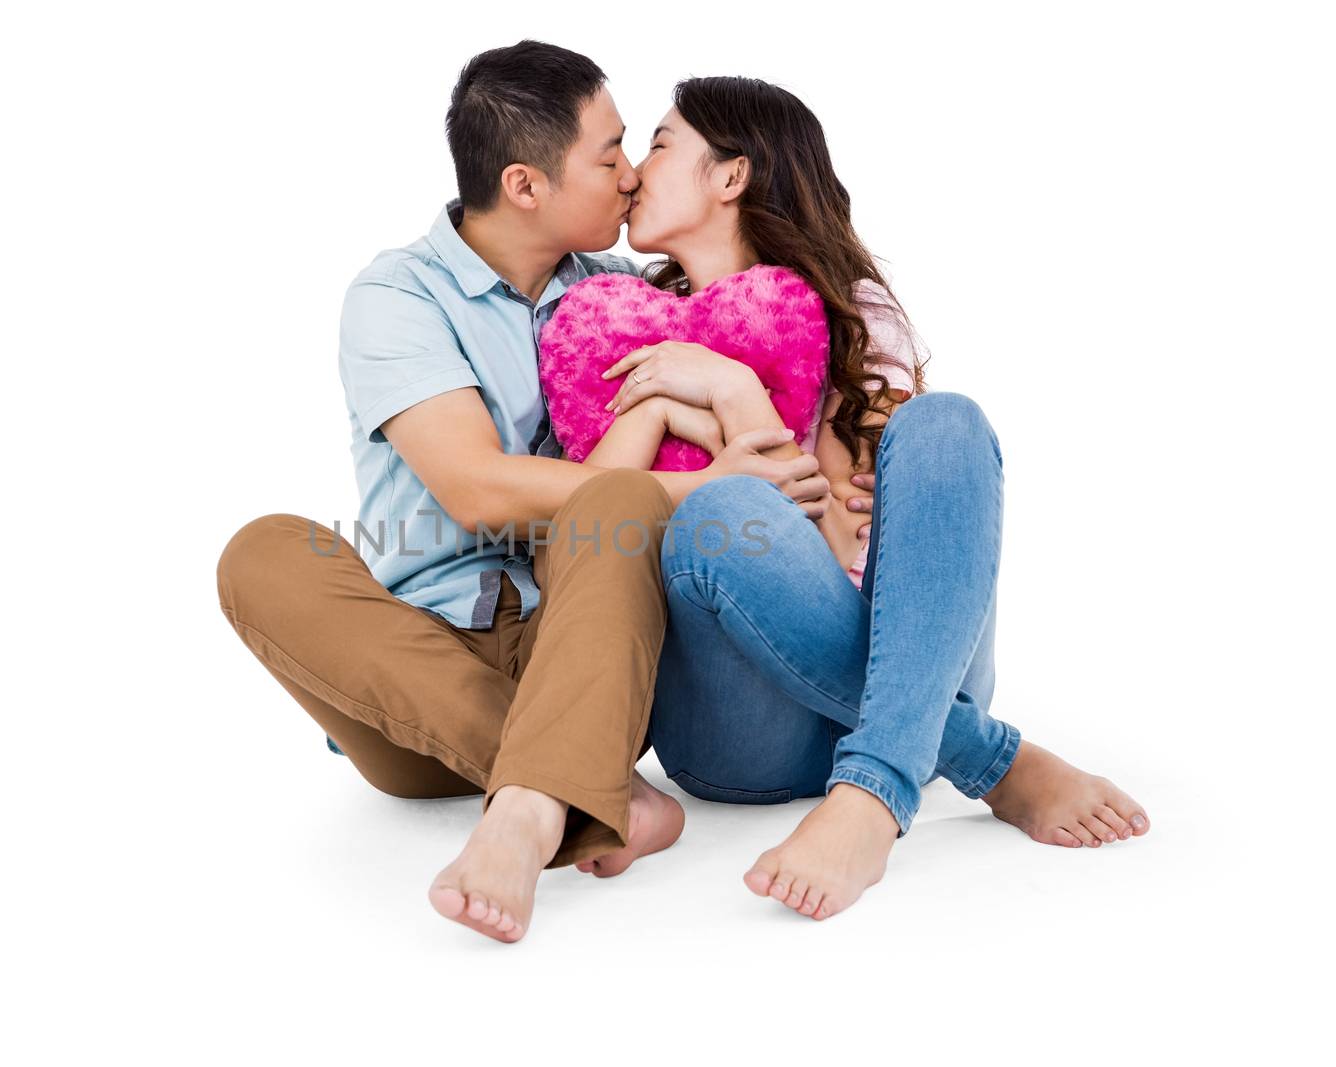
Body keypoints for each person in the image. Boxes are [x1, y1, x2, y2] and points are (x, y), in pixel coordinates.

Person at [214, 43, 829, 944]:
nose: (631, 175)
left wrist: (719, 401)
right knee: (262, 551)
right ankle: (596, 792)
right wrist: (690, 478)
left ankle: (523, 818)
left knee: (611, 503)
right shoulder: (399, 295)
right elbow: (475, 489)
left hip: (580, 652)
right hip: (414, 677)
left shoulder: (623, 297)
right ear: (526, 185)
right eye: (610, 153)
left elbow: (759, 394)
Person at [558, 76, 1152, 919]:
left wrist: (727, 389)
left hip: (907, 674)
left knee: (947, 423)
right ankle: (989, 760)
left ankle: (870, 795)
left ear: (729, 176)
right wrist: (691, 396)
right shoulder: (618, 316)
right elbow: (613, 505)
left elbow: (846, 537)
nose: (634, 171)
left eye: (658, 143)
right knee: (718, 515)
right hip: (740, 725)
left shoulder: (854, 315)